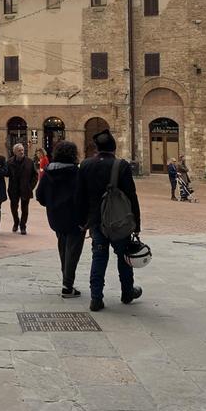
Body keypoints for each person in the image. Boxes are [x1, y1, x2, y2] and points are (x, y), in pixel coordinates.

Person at [75, 130, 142, 312]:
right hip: (119, 221)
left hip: (96, 222)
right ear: (114, 147)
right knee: (124, 257)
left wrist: (82, 221)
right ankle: (127, 292)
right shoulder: (122, 166)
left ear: (97, 148)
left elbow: (80, 196)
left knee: (98, 257)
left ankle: (96, 298)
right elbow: (131, 196)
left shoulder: (86, 165)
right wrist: (137, 223)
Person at [37, 140, 84, 298]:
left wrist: (52, 203)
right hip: (75, 217)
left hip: (56, 217)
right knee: (73, 251)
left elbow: (40, 196)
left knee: (63, 248)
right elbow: (84, 196)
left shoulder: (48, 172)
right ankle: (67, 285)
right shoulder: (77, 173)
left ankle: (66, 280)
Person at [7, 143, 38, 235]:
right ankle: (16, 222)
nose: (21, 152)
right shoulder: (9, 162)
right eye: (19, 150)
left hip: (25, 188)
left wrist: (30, 186)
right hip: (14, 189)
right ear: (14, 152)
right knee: (13, 207)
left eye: (22, 150)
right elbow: (6, 173)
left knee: (25, 208)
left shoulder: (29, 162)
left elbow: (35, 175)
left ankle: (23, 225)